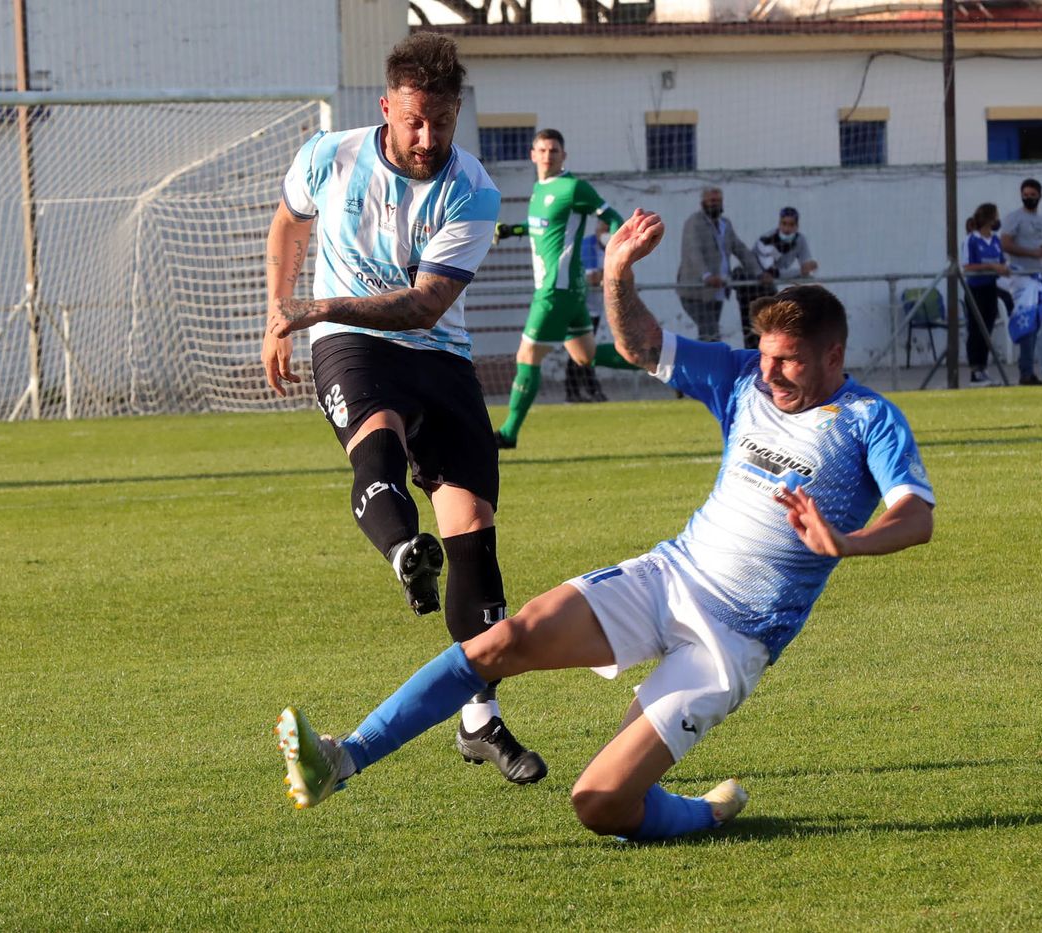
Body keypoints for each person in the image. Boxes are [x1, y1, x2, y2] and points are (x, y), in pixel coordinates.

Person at [273, 207, 936, 843]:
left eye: (788, 359)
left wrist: (847, 541)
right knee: (504, 640)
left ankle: (706, 814)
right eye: (765, 354)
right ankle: (342, 757)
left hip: (734, 637)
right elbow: (640, 344)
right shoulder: (744, 379)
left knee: (600, 802)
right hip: (668, 576)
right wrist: (617, 272)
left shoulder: (869, 420)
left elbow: (915, 516)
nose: (770, 370)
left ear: (833, 355)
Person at [261, 33, 545, 786]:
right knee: (376, 442)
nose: (427, 138)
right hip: (351, 345)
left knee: (474, 535)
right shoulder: (329, 157)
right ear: (386, 107)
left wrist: (318, 303)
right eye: (415, 120)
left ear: (457, 115)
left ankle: (479, 718)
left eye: (441, 123)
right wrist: (278, 314)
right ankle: (402, 553)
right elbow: (289, 223)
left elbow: (424, 305)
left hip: (438, 352)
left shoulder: (474, 190)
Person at [491, 130, 636, 447]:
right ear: (532, 155)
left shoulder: (573, 188)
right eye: (542, 150)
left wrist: (615, 260)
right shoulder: (540, 189)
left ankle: (509, 434)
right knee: (586, 355)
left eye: (554, 150)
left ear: (563, 156)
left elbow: (615, 220)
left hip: (556, 289)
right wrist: (514, 230)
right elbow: (545, 228)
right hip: (568, 290)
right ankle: (656, 361)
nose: (548, 156)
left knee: (527, 355)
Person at [676, 186, 761, 344]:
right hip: (695, 291)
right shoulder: (694, 223)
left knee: (709, 334)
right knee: (710, 332)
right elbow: (694, 252)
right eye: (712, 200)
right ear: (703, 202)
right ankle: (707, 359)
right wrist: (706, 276)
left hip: (717, 290)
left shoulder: (725, 224)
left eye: (718, 200)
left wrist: (759, 272)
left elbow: (740, 248)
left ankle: (705, 358)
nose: (715, 204)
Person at [737, 207, 818, 349]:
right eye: (784, 224)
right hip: (750, 286)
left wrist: (808, 267)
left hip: (768, 286)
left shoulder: (800, 239)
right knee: (752, 328)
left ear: (797, 226)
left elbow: (806, 265)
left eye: (791, 224)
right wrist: (800, 271)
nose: (787, 229)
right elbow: (772, 272)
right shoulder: (766, 240)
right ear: (779, 224)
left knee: (770, 326)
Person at [1000, 179, 1042, 386]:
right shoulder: (1014, 218)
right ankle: (1026, 372)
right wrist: (1031, 253)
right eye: (1025, 195)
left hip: (1038, 277)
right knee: (1026, 323)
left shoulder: (1041, 220)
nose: (1028, 198)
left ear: (1040, 196)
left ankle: (1029, 369)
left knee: (1037, 325)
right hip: (1022, 276)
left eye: (1032, 195)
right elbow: (1006, 244)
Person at [566, 217, 614, 403]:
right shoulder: (588, 246)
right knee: (581, 350)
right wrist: (613, 274)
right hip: (580, 307)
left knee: (584, 350)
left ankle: (583, 391)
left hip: (595, 309)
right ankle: (581, 391)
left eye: (611, 229)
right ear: (598, 229)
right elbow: (592, 279)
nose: (608, 233)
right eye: (605, 228)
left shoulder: (611, 248)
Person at [962, 203, 1008, 386]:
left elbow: (1001, 262)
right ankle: (975, 370)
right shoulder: (972, 240)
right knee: (976, 329)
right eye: (996, 216)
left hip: (991, 287)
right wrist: (989, 266)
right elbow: (967, 267)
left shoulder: (995, 240)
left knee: (988, 328)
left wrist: (1003, 269)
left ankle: (983, 367)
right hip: (975, 289)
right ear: (989, 219)